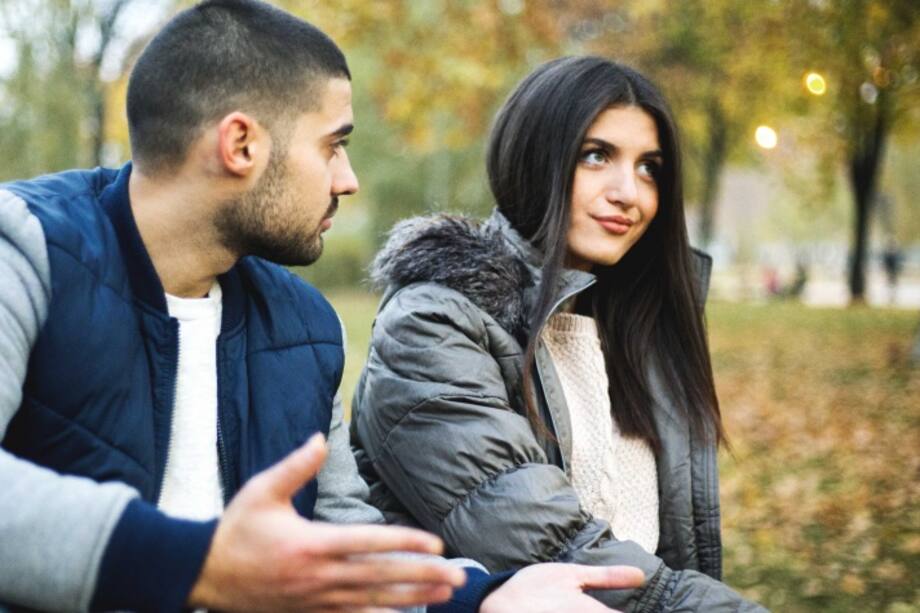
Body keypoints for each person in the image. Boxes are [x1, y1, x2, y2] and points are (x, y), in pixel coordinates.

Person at [0, 4, 646, 611]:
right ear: (241, 145)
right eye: (333, 145)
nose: (348, 178)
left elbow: (340, 545)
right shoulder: (25, 247)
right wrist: (203, 562)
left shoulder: (305, 327)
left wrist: (484, 596)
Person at [351, 57, 767, 611]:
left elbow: (670, 546)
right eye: (597, 156)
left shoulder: (638, 329)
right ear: (533, 158)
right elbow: (555, 549)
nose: (630, 193)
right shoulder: (433, 324)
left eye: (650, 168)